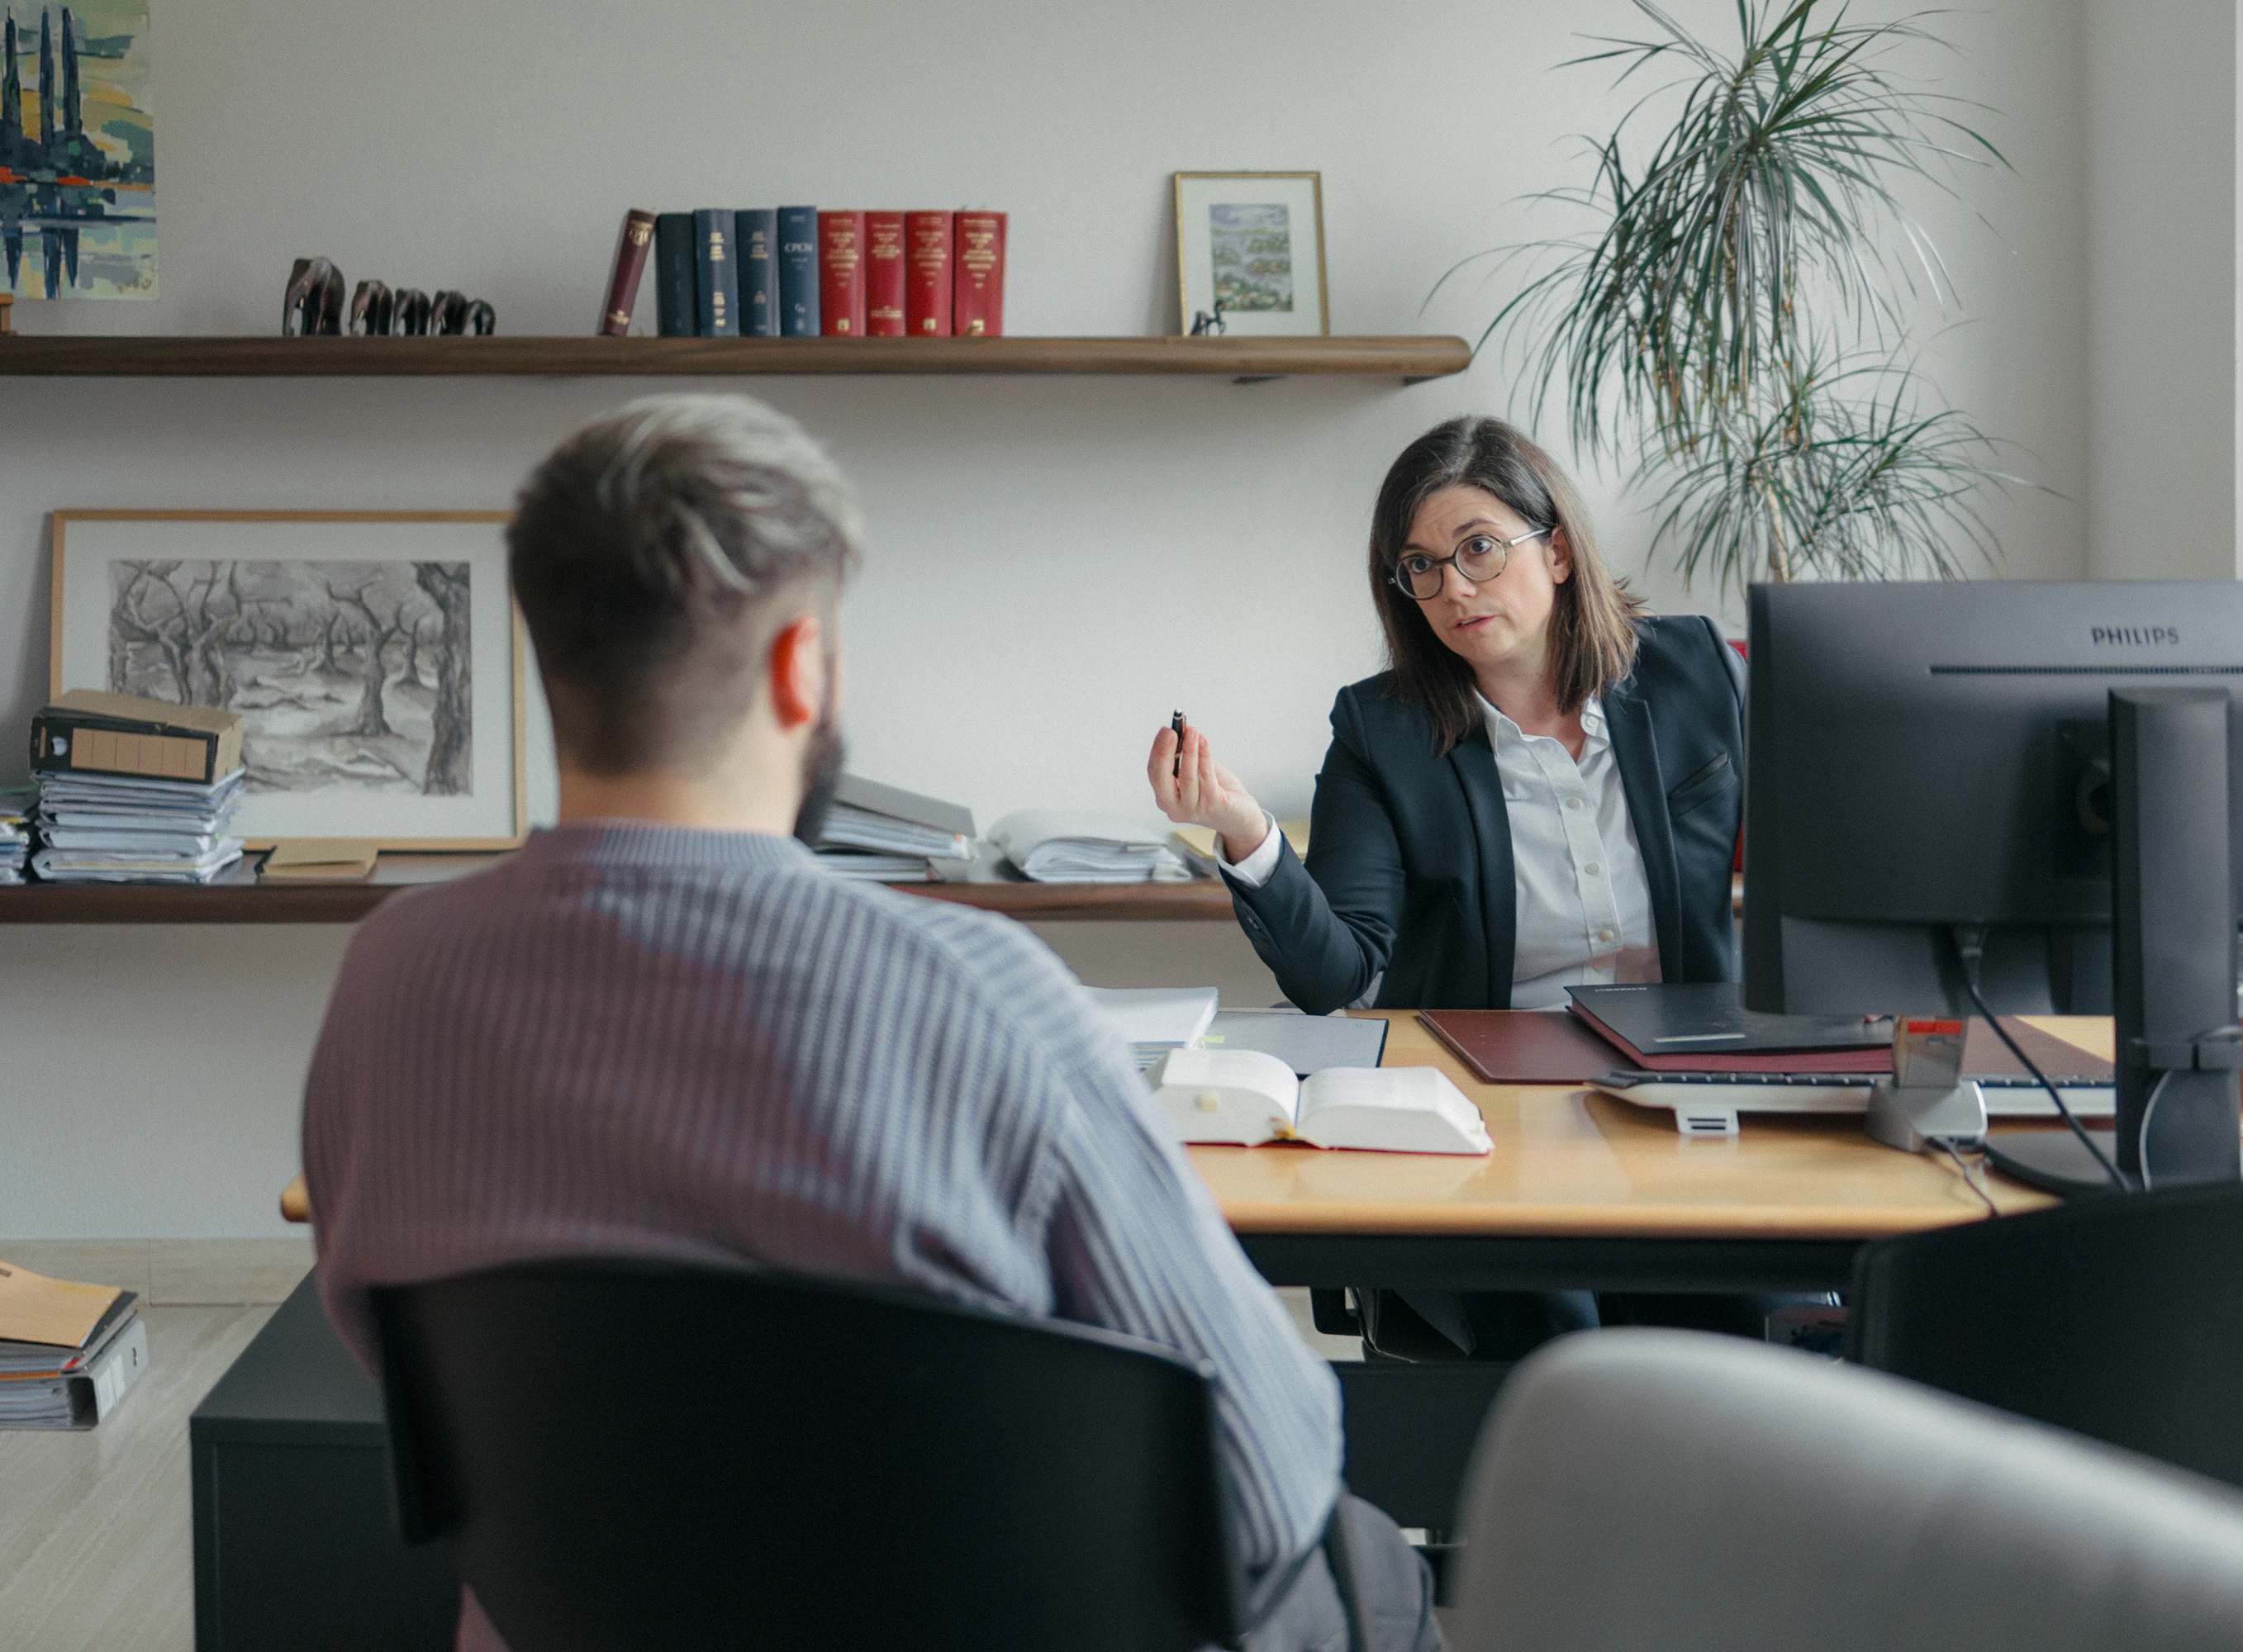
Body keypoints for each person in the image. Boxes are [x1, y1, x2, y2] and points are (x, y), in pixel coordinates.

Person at [303, 393, 1439, 1652]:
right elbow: (1266, 1470)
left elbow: (406, 1365)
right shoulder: (978, 998)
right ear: (804, 667)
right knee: (1365, 1563)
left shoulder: (389, 980)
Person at [1148, 415, 1751, 1359]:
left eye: (1478, 548)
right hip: (1483, 1125)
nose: (1453, 586)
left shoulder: (1694, 671)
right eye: (1420, 566)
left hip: (1686, 1105)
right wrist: (1243, 829)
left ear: (1555, 550)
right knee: (1561, 1343)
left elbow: (1813, 872)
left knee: (1751, 1326)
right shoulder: (1381, 730)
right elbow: (1340, 976)